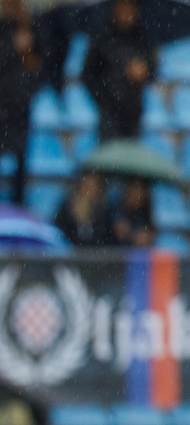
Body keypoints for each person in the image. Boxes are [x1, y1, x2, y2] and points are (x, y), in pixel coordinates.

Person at [0, 0, 45, 205]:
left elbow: (40, 66)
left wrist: (27, 51)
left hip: (21, 103)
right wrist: (13, 47)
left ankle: (18, 204)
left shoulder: (33, 28)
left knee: (21, 157)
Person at [82, 0, 156, 141]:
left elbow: (153, 69)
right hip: (109, 112)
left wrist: (143, 71)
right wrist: (104, 100)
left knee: (130, 155)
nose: (126, 14)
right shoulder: (102, 37)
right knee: (110, 156)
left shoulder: (143, 38)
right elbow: (88, 73)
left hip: (134, 111)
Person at [53, 172, 114, 246]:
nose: (88, 191)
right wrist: (79, 221)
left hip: (97, 254)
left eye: (92, 187)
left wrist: (87, 222)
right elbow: (59, 233)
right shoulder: (67, 206)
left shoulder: (104, 210)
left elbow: (105, 238)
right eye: (86, 186)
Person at [112, 177, 154, 246]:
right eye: (136, 193)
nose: (138, 199)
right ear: (129, 191)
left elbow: (148, 234)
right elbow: (119, 232)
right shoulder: (115, 208)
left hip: (136, 252)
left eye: (141, 197)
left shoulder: (142, 212)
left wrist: (145, 236)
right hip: (112, 251)